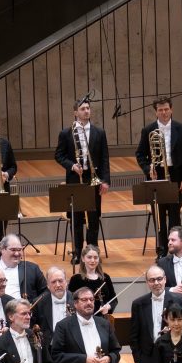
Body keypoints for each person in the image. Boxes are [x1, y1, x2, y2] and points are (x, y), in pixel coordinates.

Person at [52, 99, 109, 257]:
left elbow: (104, 158)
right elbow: (58, 155)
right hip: (75, 179)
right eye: (82, 109)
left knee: (93, 218)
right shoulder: (66, 133)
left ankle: (92, 252)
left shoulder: (99, 132)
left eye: (88, 108)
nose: (86, 111)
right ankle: (77, 252)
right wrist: (72, 166)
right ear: (75, 112)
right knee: (76, 218)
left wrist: (105, 181)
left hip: (93, 178)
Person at [138, 97, 182, 256]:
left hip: (176, 177)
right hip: (157, 176)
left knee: (174, 218)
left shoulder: (181, 129)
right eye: (160, 110)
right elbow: (140, 154)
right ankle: (161, 251)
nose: (164, 112)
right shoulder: (148, 130)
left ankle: (175, 251)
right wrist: (148, 169)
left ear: (171, 109)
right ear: (156, 112)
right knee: (159, 217)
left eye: (166, 109)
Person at [68, 244, 117, 315]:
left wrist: (108, 307)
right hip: (83, 317)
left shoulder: (105, 278)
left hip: (102, 318)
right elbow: (70, 301)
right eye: (89, 257)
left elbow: (114, 300)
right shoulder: (76, 279)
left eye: (95, 257)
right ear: (83, 258)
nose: (93, 260)